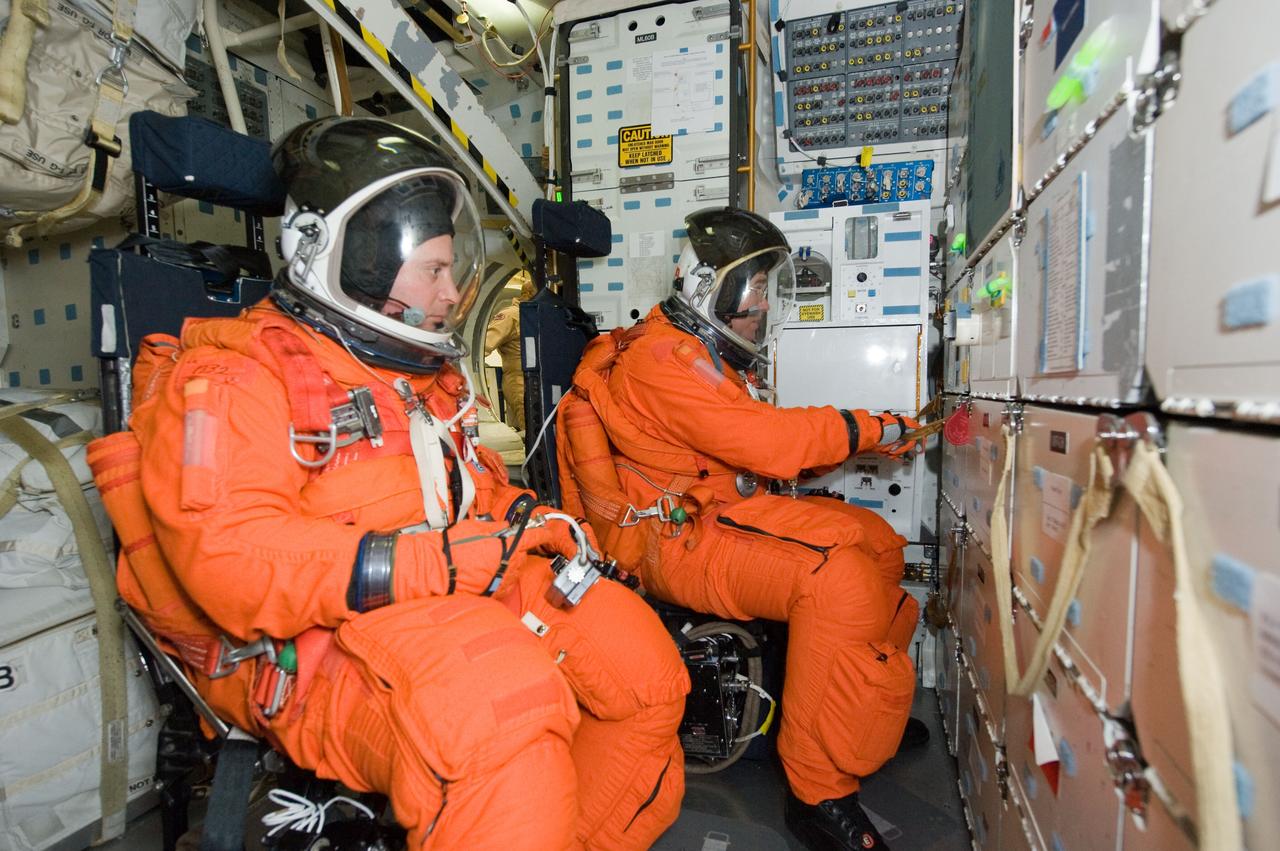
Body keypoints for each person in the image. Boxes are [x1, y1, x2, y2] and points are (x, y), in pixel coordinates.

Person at [89, 117, 688, 850]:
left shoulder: (415, 377)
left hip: (444, 588)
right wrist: (427, 562)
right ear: (353, 261)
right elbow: (232, 558)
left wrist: (522, 519)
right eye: (431, 271)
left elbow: (470, 490)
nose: (450, 290)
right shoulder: (233, 376)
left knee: (646, 671)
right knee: (501, 721)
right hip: (310, 637)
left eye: (451, 268)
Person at [557, 207, 923, 851]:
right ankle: (819, 790)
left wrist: (873, 432)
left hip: (715, 514)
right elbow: (768, 441)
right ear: (708, 290)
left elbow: (759, 445)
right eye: (754, 293)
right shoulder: (661, 361)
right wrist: (876, 429)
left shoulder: (700, 356)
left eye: (764, 291)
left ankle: (859, 720)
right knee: (838, 578)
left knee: (879, 543)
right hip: (668, 539)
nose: (761, 308)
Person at [485, 272, 536, 431]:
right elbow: (486, 344)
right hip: (519, 381)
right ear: (528, 294)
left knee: (532, 431)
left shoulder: (533, 315)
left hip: (533, 380)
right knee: (531, 431)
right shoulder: (511, 316)